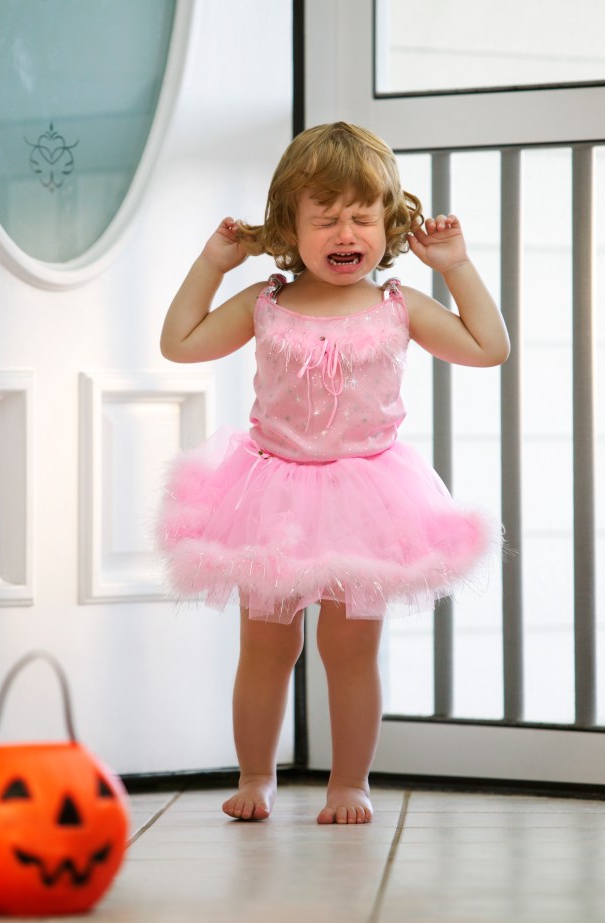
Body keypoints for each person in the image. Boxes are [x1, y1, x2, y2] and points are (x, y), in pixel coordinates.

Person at [158, 121, 509, 826]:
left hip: (366, 498)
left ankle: (350, 781)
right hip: (272, 493)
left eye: (361, 215)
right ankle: (255, 773)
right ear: (290, 223)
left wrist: (456, 268)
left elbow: (488, 347)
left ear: (390, 224)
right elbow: (179, 343)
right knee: (265, 645)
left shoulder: (396, 305)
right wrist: (211, 264)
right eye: (324, 217)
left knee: (349, 650)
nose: (344, 230)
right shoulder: (268, 301)